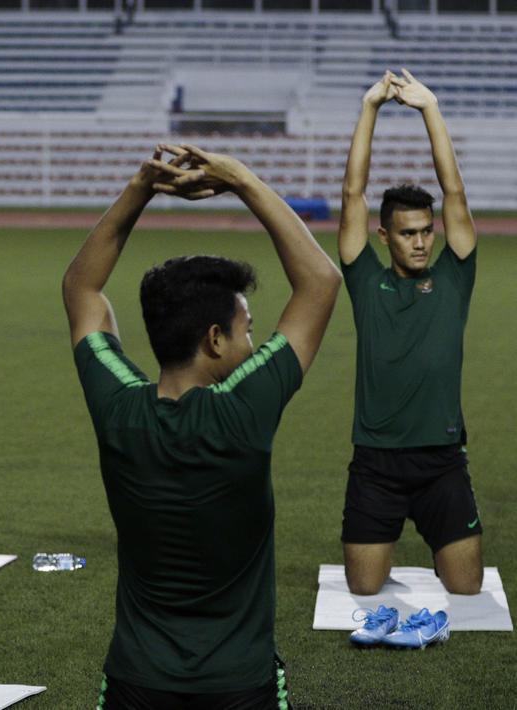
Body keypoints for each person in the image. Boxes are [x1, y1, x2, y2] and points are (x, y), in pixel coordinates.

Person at [62, 145, 340, 708]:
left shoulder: (118, 409)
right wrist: (240, 177)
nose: (252, 343)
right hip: (240, 687)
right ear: (214, 339)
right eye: (246, 330)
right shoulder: (244, 411)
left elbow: (81, 289)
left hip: (136, 683)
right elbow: (320, 281)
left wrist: (141, 187)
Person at [338, 70, 482, 596]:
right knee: (364, 590)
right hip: (375, 464)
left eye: (427, 231)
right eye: (408, 234)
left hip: (443, 462)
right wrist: (370, 109)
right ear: (384, 236)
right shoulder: (365, 280)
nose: (421, 243)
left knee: (466, 589)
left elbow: (454, 191)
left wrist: (430, 109)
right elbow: (353, 192)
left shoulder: (453, 277)